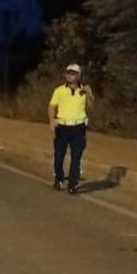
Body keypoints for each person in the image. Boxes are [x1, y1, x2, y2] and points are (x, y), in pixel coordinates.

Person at [47, 63, 93, 194]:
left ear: (78, 76)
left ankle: (73, 184)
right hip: (62, 127)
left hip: (78, 127)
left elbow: (90, 106)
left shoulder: (84, 90)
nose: (69, 76)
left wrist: (89, 93)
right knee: (59, 155)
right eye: (68, 73)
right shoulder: (59, 90)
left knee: (76, 157)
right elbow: (51, 106)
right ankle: (59, 178)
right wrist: (52, 120)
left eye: (73, 73)